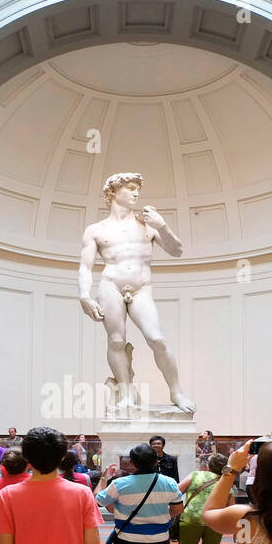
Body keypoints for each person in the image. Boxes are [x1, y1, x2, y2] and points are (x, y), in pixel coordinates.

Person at [77, 171, 194, 412]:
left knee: (156, 338)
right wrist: (84, 295)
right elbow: (85, 267)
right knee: (116, 340)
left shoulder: (147, 224)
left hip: (142, 288)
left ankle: (176, 391)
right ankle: (126, 392)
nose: (136, 193)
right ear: (113, 192)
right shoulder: (95, 230)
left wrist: (163, 226)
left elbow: (177, 250)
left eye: (137, 188)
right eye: (130, 187)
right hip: (111, 285)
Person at [172, 452, 228, 544]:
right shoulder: (226, 481)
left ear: (209, 465)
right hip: (215, 521)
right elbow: (231, 505)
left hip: (191, 519)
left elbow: (176, 491)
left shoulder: (195, 476)